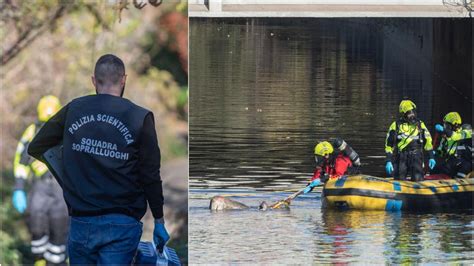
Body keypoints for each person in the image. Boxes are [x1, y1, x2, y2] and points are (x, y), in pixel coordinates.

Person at [27, 54, 170, 265]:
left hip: (81, 221)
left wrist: (68, 175)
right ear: (124, 80)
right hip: (122, 225)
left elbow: (37, 146)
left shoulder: (74, 109)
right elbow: (150, 174)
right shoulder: (141, 117)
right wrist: (159, 220)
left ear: (94, 80)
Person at [12, 95, 69, 266]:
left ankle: (56, 262)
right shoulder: (31, 131)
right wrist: (19, 188)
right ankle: (39, 261)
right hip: (40, 186)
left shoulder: (67, 130)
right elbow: (20, 161)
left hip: (60, 188)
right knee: (36, 227)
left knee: (59, 231)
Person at [385, 99, 435, 181]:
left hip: (416, 156)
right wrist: (388, 160)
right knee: (399, 179)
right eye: (409, 113)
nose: (412, 115)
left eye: (413, 112)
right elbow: (388, 145)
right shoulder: (396, 125)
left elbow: (428, 141)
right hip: (401, 157)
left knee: (417, 179)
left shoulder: (420, 125)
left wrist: (431, 157)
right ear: (404, 114)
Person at [433, 112, 472, 178]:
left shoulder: (465, 133)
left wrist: (444, 130)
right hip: (451, 162)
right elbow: (442, 152)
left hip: (464, 163)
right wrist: (434, 153)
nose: (445, 127)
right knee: (435, 170)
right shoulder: (445, 137)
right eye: (445, 125)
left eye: (447, 125)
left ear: (455, 125)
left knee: (461, 171)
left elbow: (455, 136)